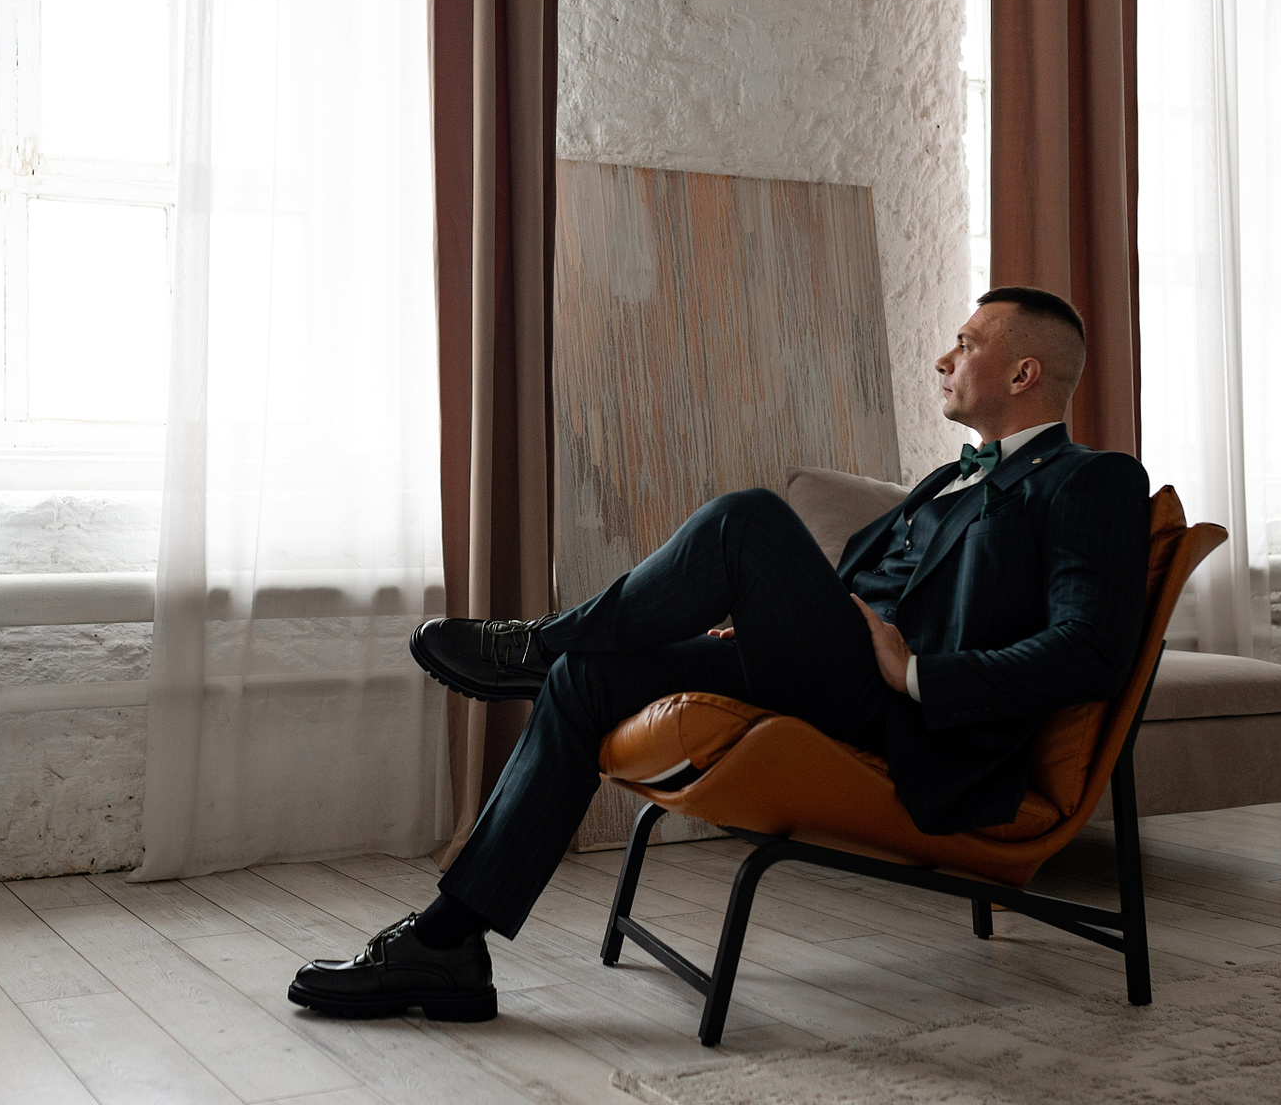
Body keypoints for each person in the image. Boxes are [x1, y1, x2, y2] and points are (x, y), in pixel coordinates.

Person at [286, 286, 1151, 1023]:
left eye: (965, 343)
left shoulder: (1093, 481)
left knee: (748, 519)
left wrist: (917, 673)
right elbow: (864, 589)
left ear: (1023, 374)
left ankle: (535, 645)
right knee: (590, 678)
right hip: (835, 678)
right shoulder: (946, 478)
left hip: (914, 719)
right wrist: (771, 624)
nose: (943, 359)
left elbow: (1090, 652)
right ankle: (448, 946)